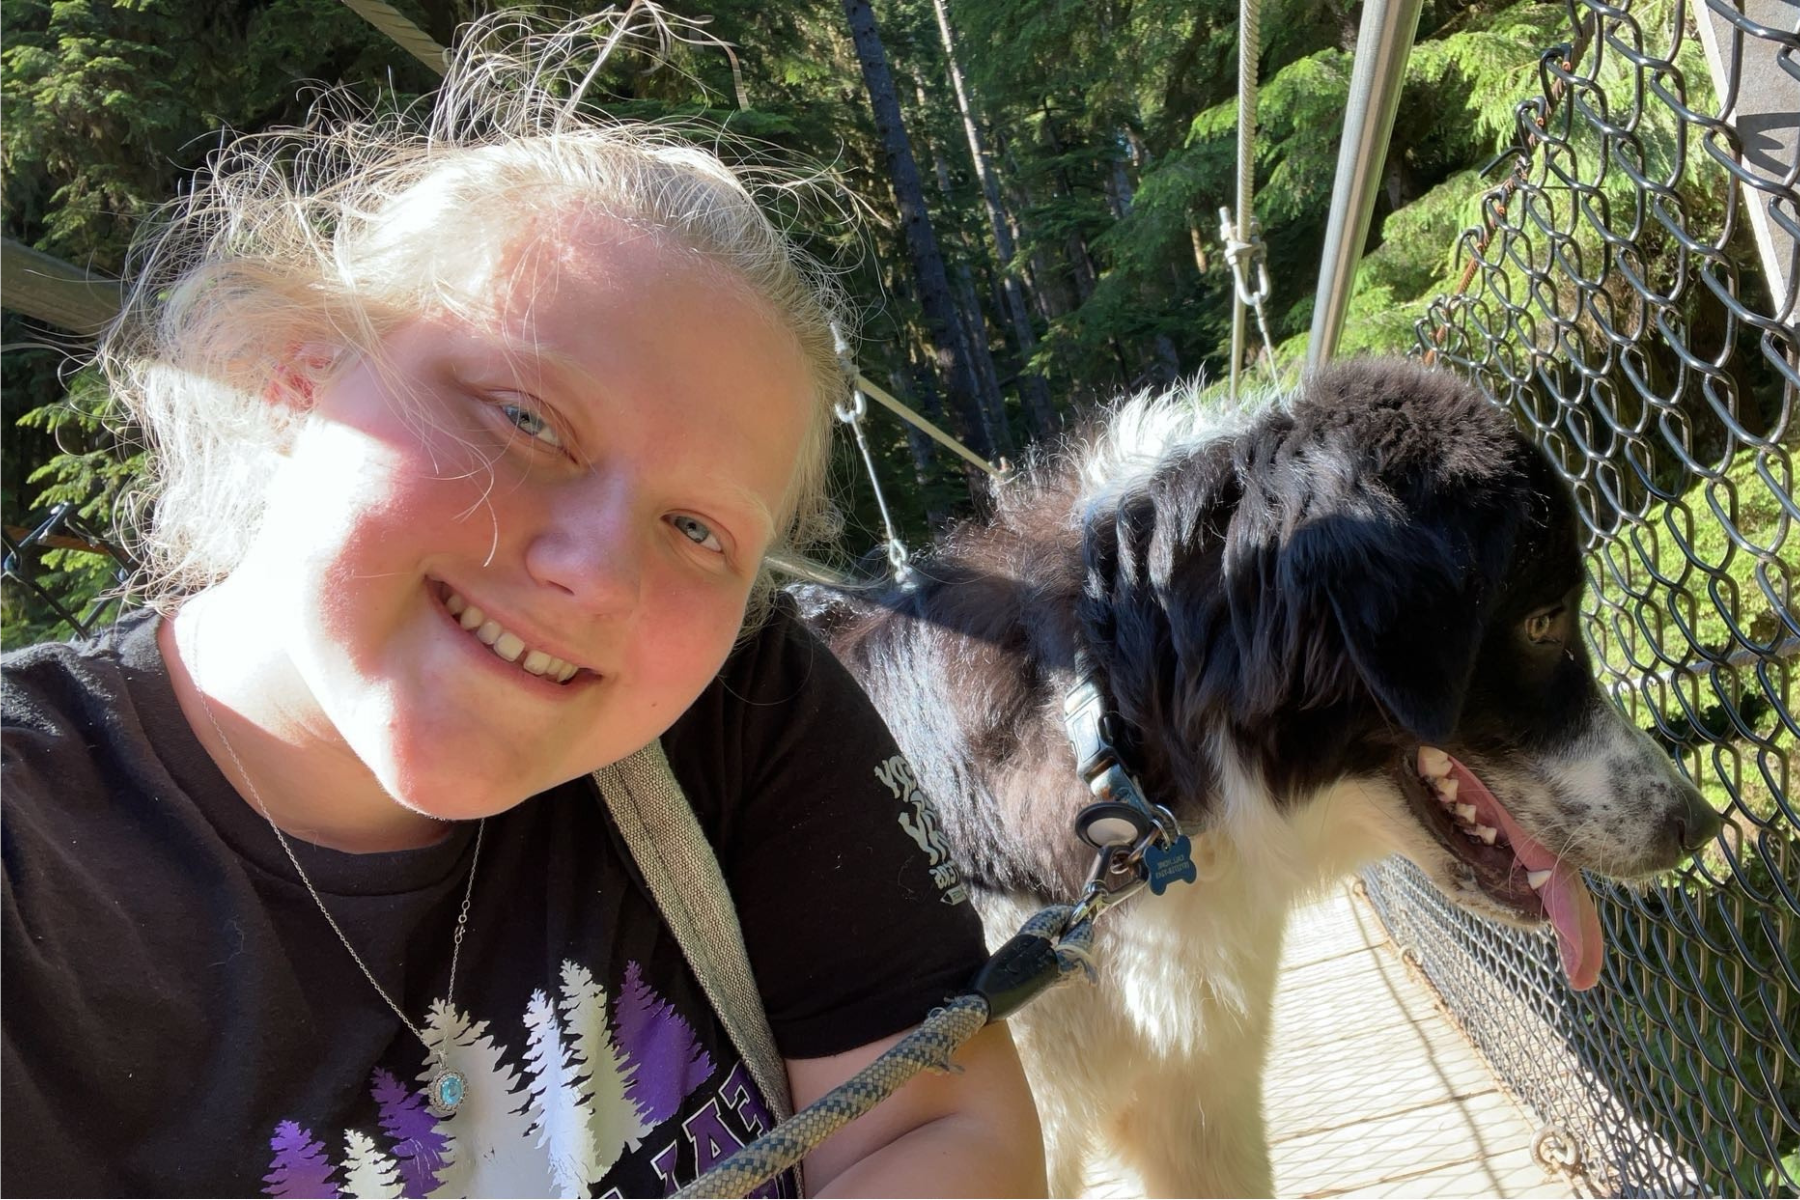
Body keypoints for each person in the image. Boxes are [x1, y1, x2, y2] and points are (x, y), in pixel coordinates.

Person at [0, 10, 1045, 1196]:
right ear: (302, 374)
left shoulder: (743, 714)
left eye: (699, 530)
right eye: (525, 418)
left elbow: (923, 1124)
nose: (597, 576)